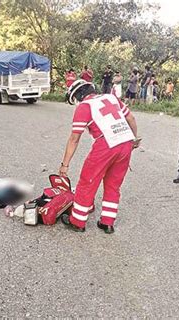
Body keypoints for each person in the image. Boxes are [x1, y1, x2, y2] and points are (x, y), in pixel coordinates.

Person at [59, 79, 140, 234]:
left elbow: (74, 139)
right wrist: (134, 140)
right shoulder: (110, 97)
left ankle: (77, 221)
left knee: (87, 182)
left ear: (78, 96)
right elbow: (131, 119)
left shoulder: (84, 107)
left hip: (105, 145)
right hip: (125, 142)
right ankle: (107, 223)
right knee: (113, 184)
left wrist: (65, 164)